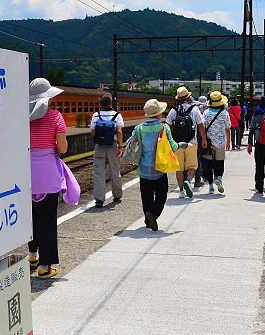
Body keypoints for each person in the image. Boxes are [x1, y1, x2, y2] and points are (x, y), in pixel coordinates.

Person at [28, 78, 80, 279]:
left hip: (26, 173)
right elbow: (63, 148)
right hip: (48, 173)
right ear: (48, 98)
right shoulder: (55, 117)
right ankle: (45, 266)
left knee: (31, 217)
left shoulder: (21, 118)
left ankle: (32, 255)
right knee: (47, 219)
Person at [125, 99, 183, 231]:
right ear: (158, 114)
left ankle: (147, 220)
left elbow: (130, 142)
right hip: (159, 168)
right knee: (161, 195)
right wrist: (181, 145)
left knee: (146, 196)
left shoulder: (139, 128)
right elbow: (172, 146)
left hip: (143, 169)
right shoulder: (163, 127)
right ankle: (153, 214)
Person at [166, 87, 207, 198]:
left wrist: (170, 141)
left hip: (177, 143)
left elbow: (168, 126)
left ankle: (181, 191)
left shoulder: (174, 110)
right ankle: (188, 181)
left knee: (179, 168)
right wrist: (203, 139)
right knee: (192, 166)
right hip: (192, 142)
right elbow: (201, 125)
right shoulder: (194, 109)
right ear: (188, 97)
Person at [89, 94, 124, 207]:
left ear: (101, 104)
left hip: (99, 146)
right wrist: (121, 146)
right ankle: (117, 195)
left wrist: (98, 139)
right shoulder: (117, 115)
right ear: (111, 103)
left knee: (99, 173)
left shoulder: (96, 115)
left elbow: (92, 132)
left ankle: (99, 200)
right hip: (113, 146)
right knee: (115, 171)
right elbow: (119, 132)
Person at [201, 91, 233, 194]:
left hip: (208, 142)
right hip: (220, 142)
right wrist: (229, 141)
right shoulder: (225, 113)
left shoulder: (206, 113)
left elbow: (203, 127)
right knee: (219, 162)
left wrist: (203, 139)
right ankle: (218, 178)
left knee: (208, 164)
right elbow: (228, 128)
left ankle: (210, 186)